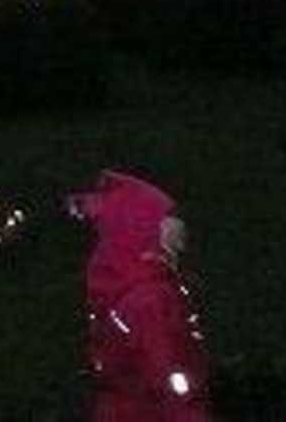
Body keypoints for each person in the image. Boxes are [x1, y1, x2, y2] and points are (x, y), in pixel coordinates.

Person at [69, 169, 211, 422]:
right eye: (169, 226)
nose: (181, 238)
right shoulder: (149, 300)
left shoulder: (128, 288)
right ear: (143, 228)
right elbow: (170, 380)